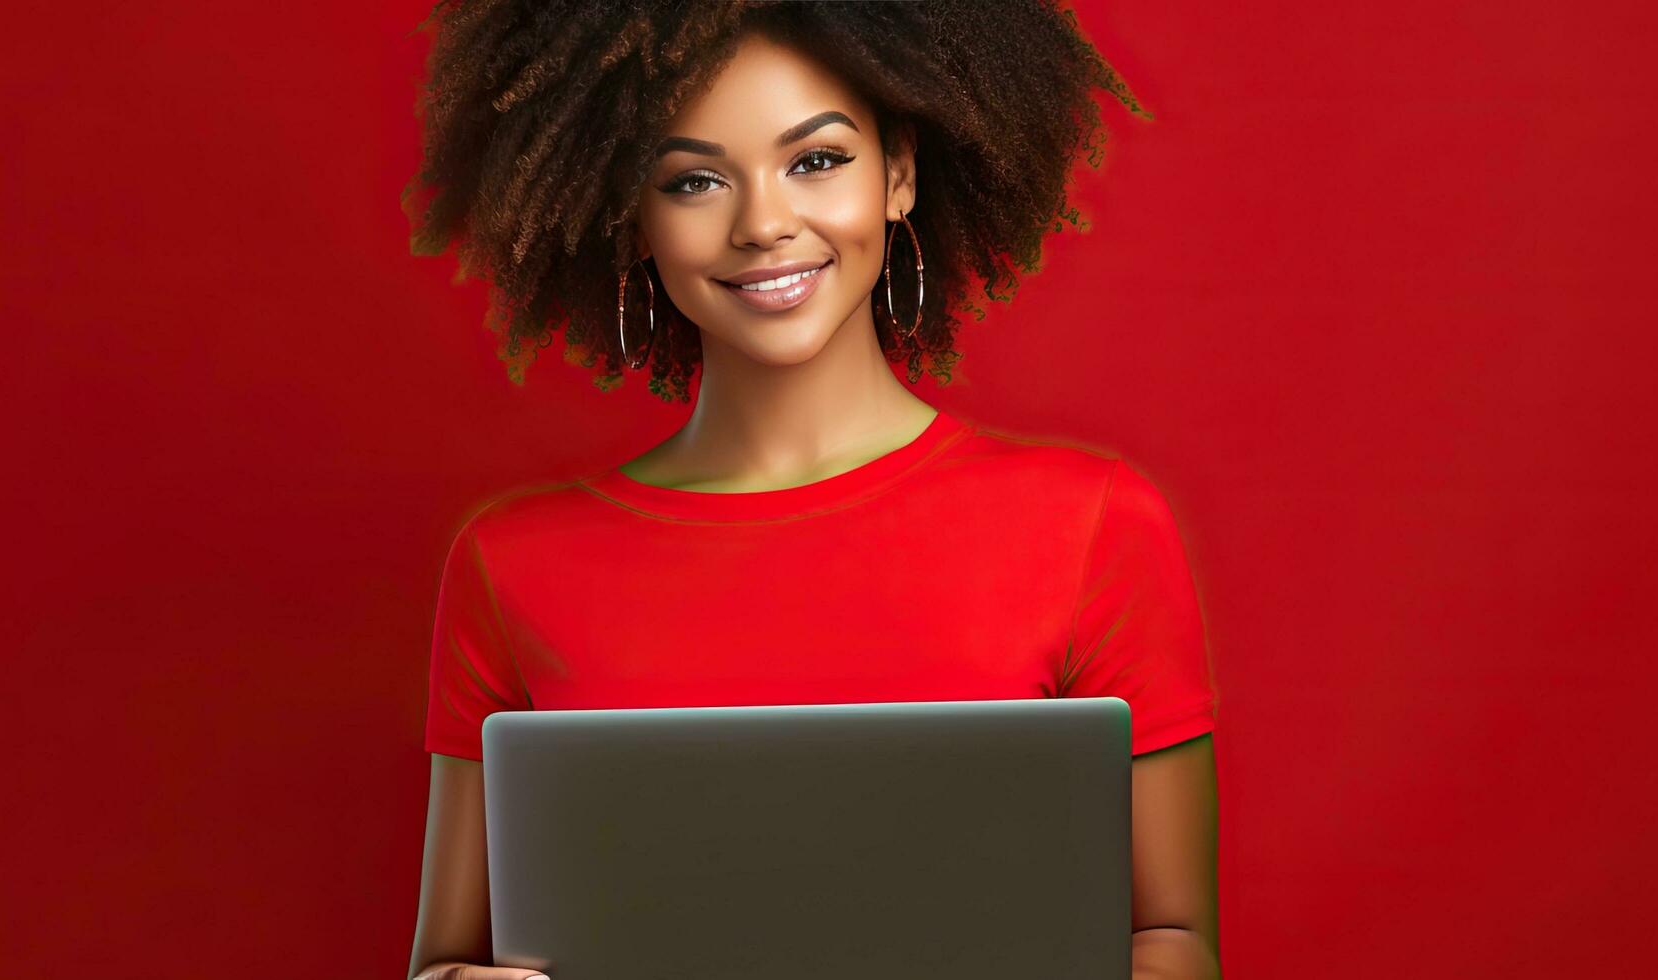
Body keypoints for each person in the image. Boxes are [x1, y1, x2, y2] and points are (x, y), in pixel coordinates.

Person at [400, 3, 1220, 978]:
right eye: (694, 179)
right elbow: (444, 962)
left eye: (815, 160)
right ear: (633, 216)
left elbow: (1172, 939)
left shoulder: (1092, 524)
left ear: (898, 173)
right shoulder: (510, 562)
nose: (762, 224)